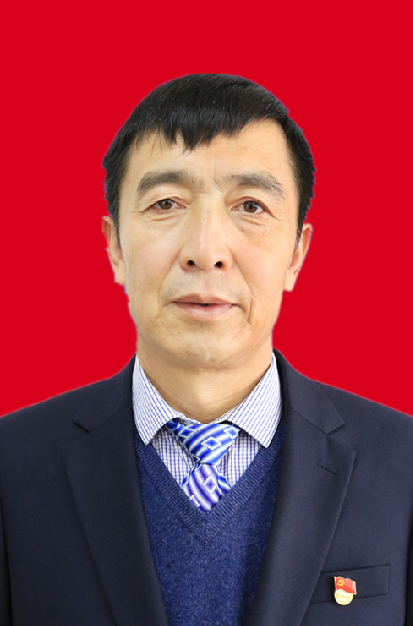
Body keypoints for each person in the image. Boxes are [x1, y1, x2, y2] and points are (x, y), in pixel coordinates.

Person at [0, 74, 412, 626]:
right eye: (166, 202)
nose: (206, 250)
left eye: (251, 205)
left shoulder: (403, 462)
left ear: (297, 253)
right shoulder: (12, 465)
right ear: (115, 247)